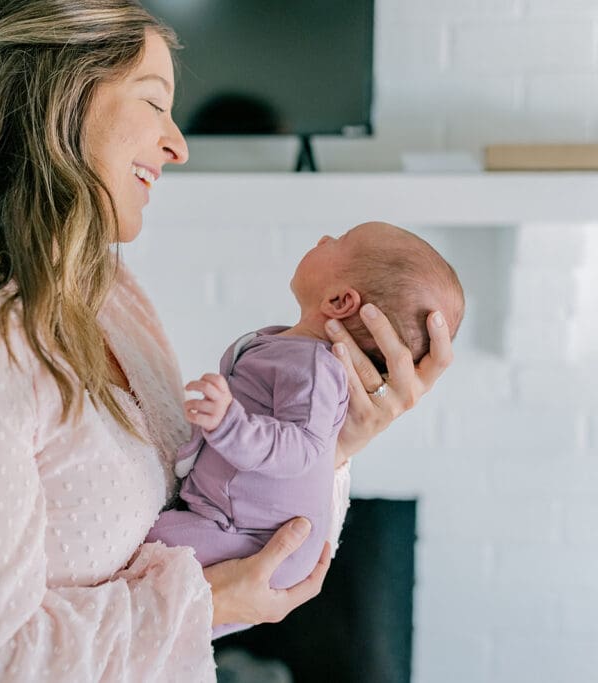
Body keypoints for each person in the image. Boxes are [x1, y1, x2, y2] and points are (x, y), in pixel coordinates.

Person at [0, 2, 455, 681]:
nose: (178, 144)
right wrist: (209, 601)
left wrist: (332, 446)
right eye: (154, 102)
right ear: (65, 100)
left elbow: (196, 520)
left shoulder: (106, 292)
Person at [146, 221, 465, 638]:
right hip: (244, 528)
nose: (324, 239)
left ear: (339, 300)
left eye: (339, 241)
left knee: (143, 548)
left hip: (250, 539)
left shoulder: (314, 366)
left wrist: (228, 423)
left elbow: (301, 449)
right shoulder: (293, 350)